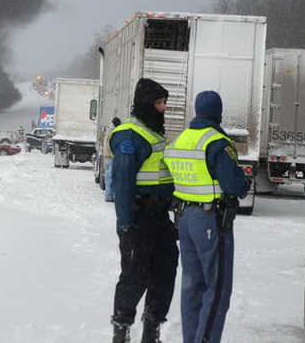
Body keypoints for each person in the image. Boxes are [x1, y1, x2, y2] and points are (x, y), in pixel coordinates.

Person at [163, 91, 249, 343]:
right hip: (211, 221)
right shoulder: (217, 142)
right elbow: (234, 185)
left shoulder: (181, 139)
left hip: (185, 219)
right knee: (217, 289)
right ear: (218, 113)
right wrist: (243, 181)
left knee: (192, 286)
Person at [109, 78, 179, 343]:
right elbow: (123, 183)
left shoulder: (153, 132)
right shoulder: (130, 136)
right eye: (159, 103)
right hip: (138, 218)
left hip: (159, 218)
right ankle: (122, 331)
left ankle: (152, 330)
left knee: (165, 270)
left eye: (164, 102)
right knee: (134, 276)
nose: (163, 108)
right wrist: (126, 224)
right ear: (146, 104)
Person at [103, 117, 122, 202]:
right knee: (112, 177)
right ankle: (111, 196)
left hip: (107, 157)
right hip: (111, 157)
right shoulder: (113, 132)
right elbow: (111, 145)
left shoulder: (108, 130)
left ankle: (108, 195)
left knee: (108, 177)